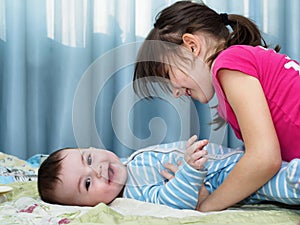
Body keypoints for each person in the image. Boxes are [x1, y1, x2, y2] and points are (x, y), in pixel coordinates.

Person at [133, 1, 300, 211]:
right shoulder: (241, 63)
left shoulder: (229, 63)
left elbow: (264, 159)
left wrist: (206, 206)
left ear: (191, 46)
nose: (175, 92)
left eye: (168, 76)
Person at [37, 136, 300, 209]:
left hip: (232, 160)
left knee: (279, 163)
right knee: (281, 182)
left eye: (89, 158)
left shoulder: (128, 163)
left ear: (92, 147)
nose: (97, 169)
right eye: (86, 183)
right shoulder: (133, 196)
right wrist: (190, 171)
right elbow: (172, 202)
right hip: (225, 179)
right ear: (87, 206)